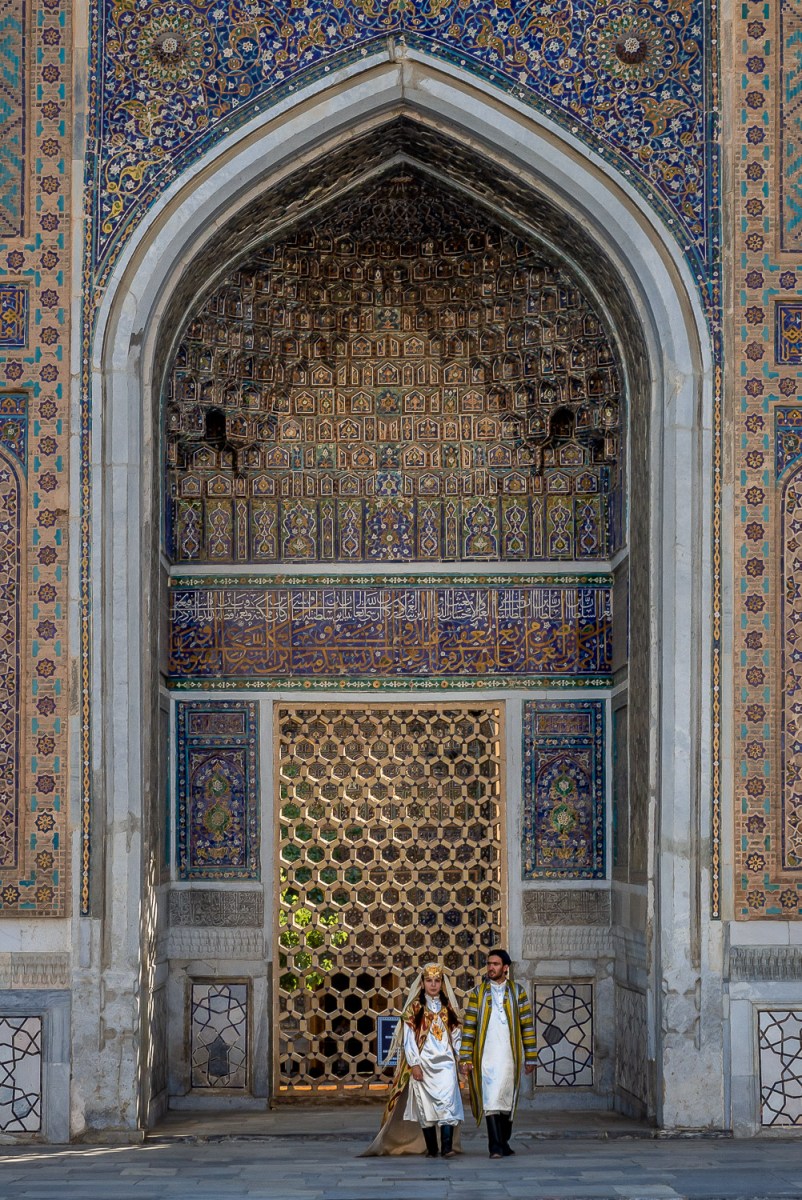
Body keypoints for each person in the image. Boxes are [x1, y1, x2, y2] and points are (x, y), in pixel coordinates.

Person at [362, 962, 464, 1157]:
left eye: (437, 980)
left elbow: (456, 1036)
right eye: (429, 980)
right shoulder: (414, 1009)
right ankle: (433, 1150)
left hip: (447, 1064)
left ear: (442, 983)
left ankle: (448, 1147)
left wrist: (462, 1058)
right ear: (422, 983)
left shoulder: (448, 1008)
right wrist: (414, 1064)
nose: (433, 984)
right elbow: (409, 1040)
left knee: (448, 1104)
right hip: (423, 1064)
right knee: (426, 1107)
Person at [459, 948, 537, 1159]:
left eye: (495, 964)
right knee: (491, 1100)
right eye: (489, 964)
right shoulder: (478, 993)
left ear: (505, 968)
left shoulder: (517, 992)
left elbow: (527, 1026)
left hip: (509, 1058)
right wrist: (465, 1056)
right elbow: (470, 1026)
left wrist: (531, 1056)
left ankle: (503, 1142)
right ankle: (495, 1146)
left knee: (506, 1101)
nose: (490, 967)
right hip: (486, 1057)